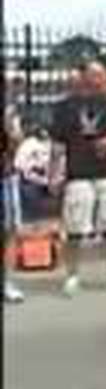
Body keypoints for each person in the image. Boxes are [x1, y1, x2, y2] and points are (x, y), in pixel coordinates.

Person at [50, 62, 106, 297]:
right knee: (75, 225)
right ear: (84, 77)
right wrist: (55, 173)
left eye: (103, 75)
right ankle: (72, 275)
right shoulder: (65, 107)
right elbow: (57, 143)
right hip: (78, 171)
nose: (100, 79)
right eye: (95, 75)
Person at [3, 103, 24, 303]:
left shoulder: (10, 111)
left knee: (9, 231)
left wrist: (10, 127)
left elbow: (16, 144)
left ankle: (7, 283)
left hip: (6, 178)